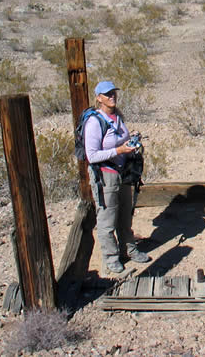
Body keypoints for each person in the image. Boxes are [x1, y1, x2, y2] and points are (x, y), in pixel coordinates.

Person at [85, 80, 151, 274]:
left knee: (125, 215)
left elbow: (121, 141)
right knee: (107, 219)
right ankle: (111, 258)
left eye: (113, 92)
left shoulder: (117, 117)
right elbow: (92, 155)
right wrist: (119, 150)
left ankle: (129, 249)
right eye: (107, 94)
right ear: (98, 98)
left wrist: (131, 143)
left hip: (123, 174)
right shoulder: (94, 122)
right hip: (105, 176)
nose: (112, 96)